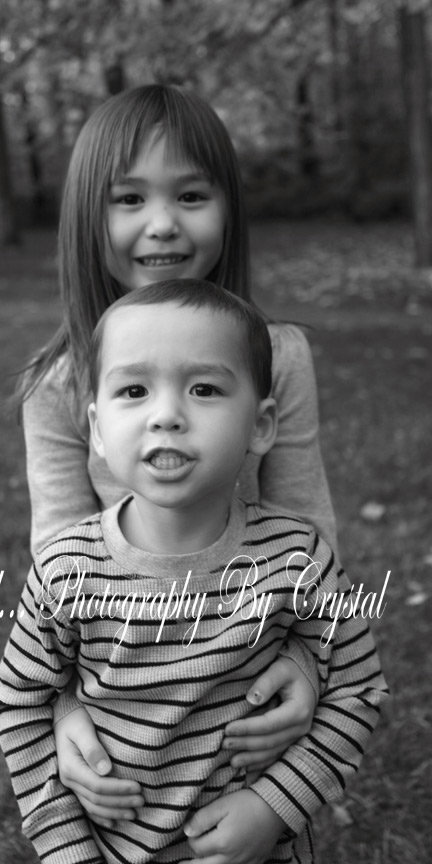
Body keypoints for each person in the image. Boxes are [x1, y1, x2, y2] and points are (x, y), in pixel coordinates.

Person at [20, 84, 336, 826]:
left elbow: (308, 524)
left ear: (228, 208)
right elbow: (55, 562)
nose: (162, 224)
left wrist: (305, 663)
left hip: (249, 666)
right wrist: (65, 708)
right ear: (87, 217)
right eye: (129, 199)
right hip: (125, 674)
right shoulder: (60, 384)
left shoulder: (280, 359)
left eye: (191, 195)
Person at [0, 281, 388, 864]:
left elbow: (358, 688)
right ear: (97, 429)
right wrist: (68, 852)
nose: (167, 416)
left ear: (261, 425)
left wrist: (275, 805)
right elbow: (20, 705)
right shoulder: (64, 570)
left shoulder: (298, 558)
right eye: (134, 390)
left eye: (204, 389)